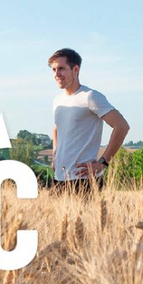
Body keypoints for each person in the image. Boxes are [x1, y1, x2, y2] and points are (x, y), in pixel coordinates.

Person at [48, 48, 130, 190]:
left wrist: (103, 162)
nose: (57, 74)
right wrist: (55, 154)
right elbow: (57, 128)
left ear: (75, 69)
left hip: (84, 179)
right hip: (59, 178)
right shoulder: (58, 101)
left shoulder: (90, 97)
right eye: (53, 69)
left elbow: (122, 126)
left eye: (61, 69)